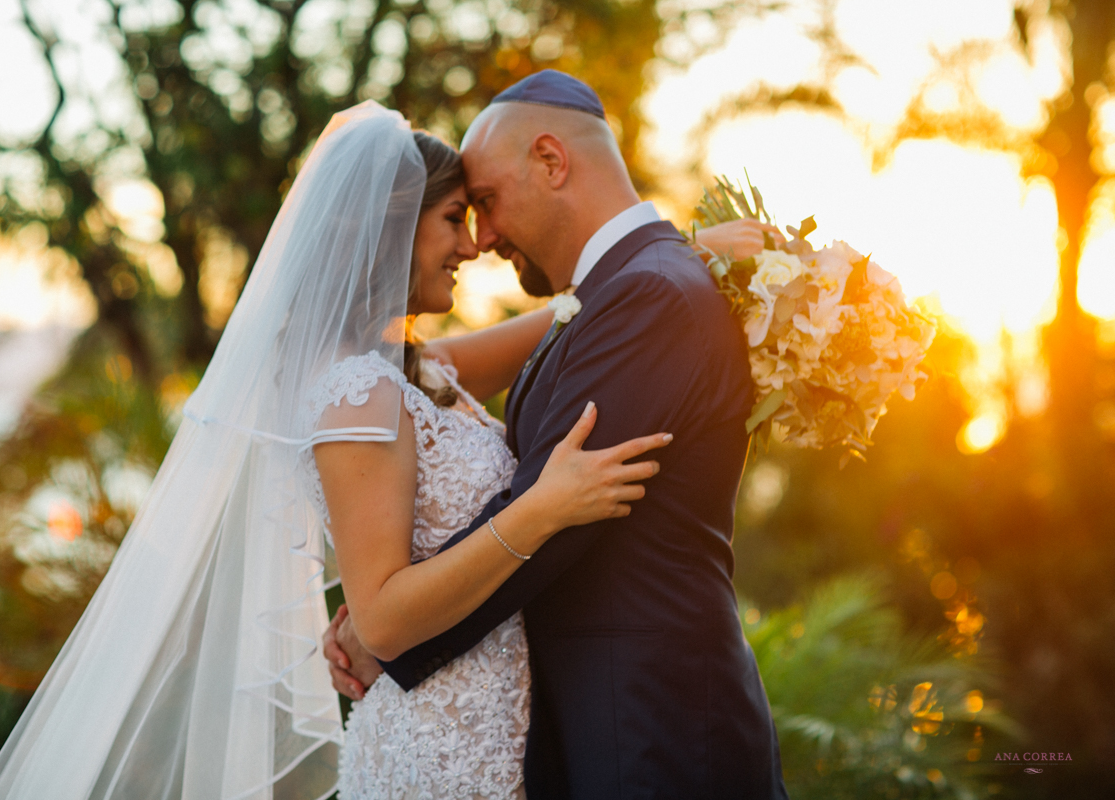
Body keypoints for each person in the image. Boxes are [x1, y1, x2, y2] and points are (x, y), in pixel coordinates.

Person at [0, 100, 669, 800]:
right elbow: (385, 619)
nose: (473, 245)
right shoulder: (357, 394)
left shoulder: (409, 372)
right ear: (391, 226)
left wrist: (680, 250)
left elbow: (560, 319)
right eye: (455, 218)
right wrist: (542, 509)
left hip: (495, 732)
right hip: (441, 753)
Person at [326, 71, 790, 798]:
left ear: (551, 161)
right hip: (579, 733)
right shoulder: (624, 292)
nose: (479, 239)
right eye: (459, 215)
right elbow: (528, 479)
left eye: (482, 203)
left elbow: (551, 515)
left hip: (650, 737)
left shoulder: (651, 295)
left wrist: (385, 635)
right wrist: (388, 614)